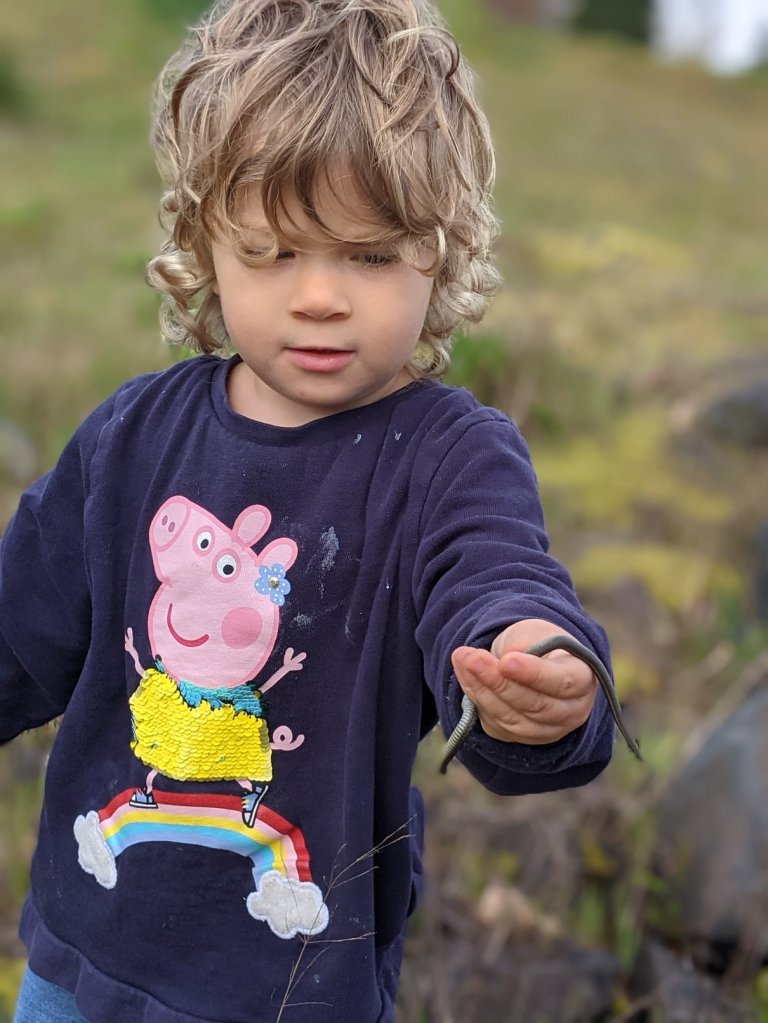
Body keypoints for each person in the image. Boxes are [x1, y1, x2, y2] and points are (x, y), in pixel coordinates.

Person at [2, 1, 618, 1020]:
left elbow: (498, 580)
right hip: (81, 962)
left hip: (298, 988)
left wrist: (533, 666)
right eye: (274, 251)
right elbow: (18, 629)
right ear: (205, 241)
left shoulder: (449, 458)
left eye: (371, 255)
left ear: (442, 248)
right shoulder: (132, 435)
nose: (321, 296)